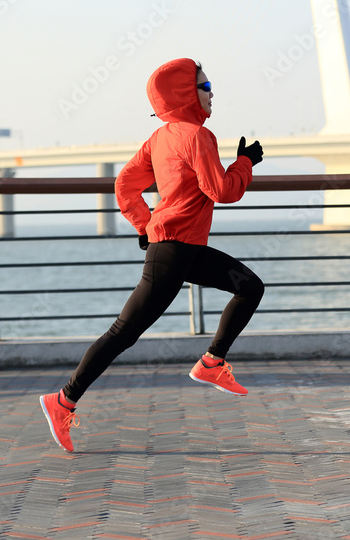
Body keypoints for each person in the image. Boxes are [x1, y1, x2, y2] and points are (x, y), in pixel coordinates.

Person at [40, 58, 264, 453]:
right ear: (185, 93)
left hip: (182, 247)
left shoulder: (160, 138)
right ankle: (62, 400)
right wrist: (245, 163)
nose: (212, 92)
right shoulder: (197, 136)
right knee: (122, 334)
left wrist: (144, 225)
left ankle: (212, 362)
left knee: (249, 286)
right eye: (205, 84)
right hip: (173, 252)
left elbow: (125, 185)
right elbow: (222, 190)